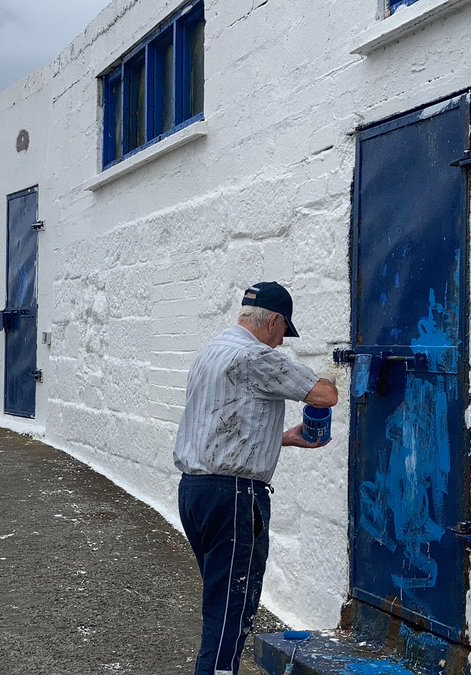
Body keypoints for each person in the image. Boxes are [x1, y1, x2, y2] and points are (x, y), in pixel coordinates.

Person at [174, 281, 339, 675]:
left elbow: (219, 425)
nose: (281, 342)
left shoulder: (213, 351)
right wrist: (336, 372)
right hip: (233, 499)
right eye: (284, 332)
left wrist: (279, 439)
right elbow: (324, 396)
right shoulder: (256, 356)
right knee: (230, 614)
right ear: (275, 321)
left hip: (196, 492)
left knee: (222, 602)